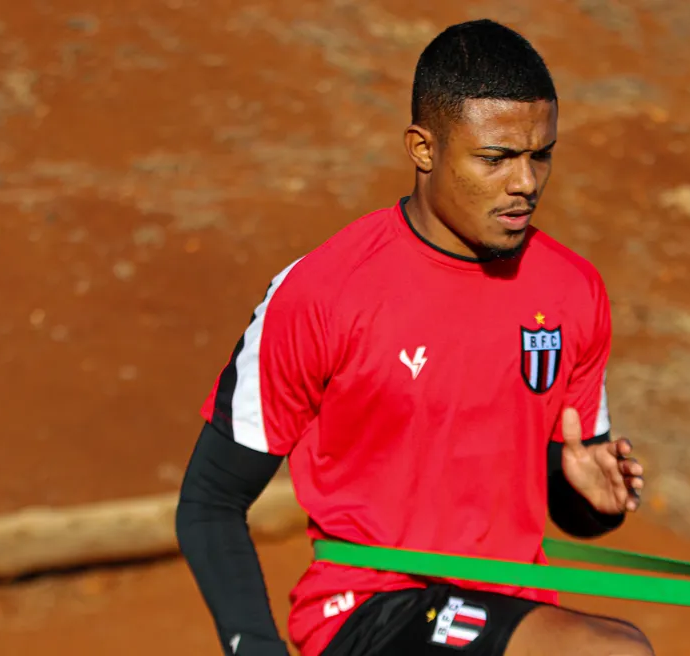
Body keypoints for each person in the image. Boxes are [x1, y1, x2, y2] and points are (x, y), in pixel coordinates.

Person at [175, 18, 654, 656]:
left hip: (508, 608)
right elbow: (210, 501)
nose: (526, 183)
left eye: (541, 154)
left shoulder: (573, 290)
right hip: (365, 610)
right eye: (495, 158)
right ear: (423, 149)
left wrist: (595, 501)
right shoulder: (323, 292)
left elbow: (570, 498)